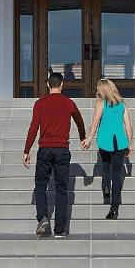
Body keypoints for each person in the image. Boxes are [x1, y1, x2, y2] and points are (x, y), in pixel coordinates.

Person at [23, 72, 86, 238]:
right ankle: (60, 229)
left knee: (41, 185)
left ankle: (43, 217)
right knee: (62, 189)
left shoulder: (40, 104)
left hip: (45, 150)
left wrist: (26, 150)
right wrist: (82, 137)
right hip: (62, 150)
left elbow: (33, 128)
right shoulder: (68, 103)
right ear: (62, 84)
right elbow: (79, 121)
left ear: (47, 84)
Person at [82, 77, 134, 219]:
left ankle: (106, 186)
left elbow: (95, 122)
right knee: (116, 175)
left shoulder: (100, 103)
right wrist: (130, 143)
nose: (97, 90)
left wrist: (89, 139)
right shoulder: (122, 104)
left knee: (105, 164)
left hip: (105, 140)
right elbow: (128, 125)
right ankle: (114, 209)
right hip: (120, 142)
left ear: (103, 89)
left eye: (98, 88)